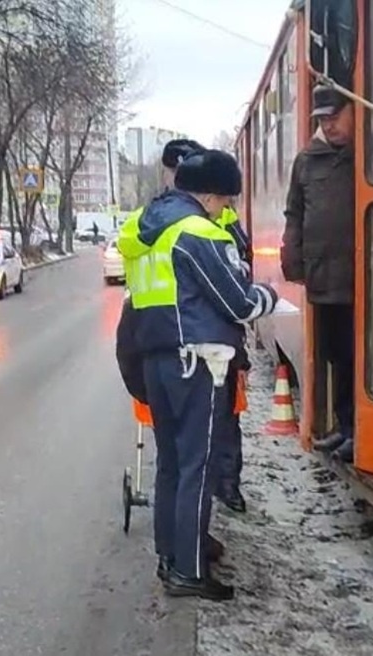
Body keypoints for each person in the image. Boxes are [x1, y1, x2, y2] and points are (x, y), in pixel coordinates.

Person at [122, 149, 279, 601]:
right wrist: (267, 296)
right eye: (226, 201)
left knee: (171, 463)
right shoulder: (196, 233)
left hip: (156, 359)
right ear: (209, 196)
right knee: (198, 466)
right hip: (198, 360)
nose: (227, 210)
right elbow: (238, 303)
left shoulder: (144, 230)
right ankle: (190, 572)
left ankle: (169, 557)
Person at [281, 84, 357, 463]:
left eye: (334, 117)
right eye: (322, 120)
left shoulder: (371, 155)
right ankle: (345, 426)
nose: (329, 126)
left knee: (360, 355)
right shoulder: (309, 161)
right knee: (337, 355)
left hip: (363, 280)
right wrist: (292, 259)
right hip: (325, 276)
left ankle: (360, 430)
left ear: (353, 111)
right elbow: (294, 212)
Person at [212, 205, 251, 513]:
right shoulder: (222, 220)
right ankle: (225, 485)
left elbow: (243, 263)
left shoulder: (225, 217)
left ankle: (225, 485)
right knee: (224, 417)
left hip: (216, 339)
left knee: (225, 415)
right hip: (214, 337)